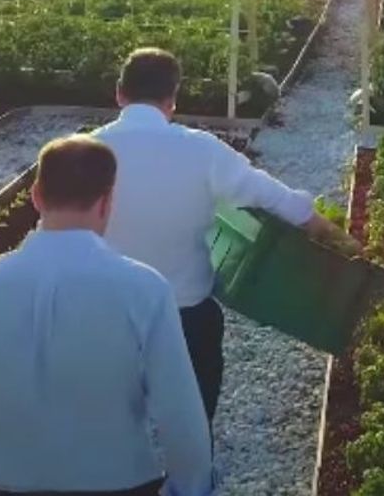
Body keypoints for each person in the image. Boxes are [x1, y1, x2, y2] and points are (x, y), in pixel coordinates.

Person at [0, 135, 213, 496]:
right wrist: (191, 486)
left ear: (36, 196)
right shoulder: (144, 289)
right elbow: (179, 409)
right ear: (107, 202)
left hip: (4, 477)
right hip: (119, 480)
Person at [92, 48, 358, 428]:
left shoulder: (86, 151)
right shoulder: (200, 149)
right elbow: (275, 198)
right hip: (183, 314)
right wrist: (336, 237)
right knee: (194, 410)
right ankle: (193, 470)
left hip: (106, 314)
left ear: (119, 93)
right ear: (172, 99)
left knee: (109, 415)